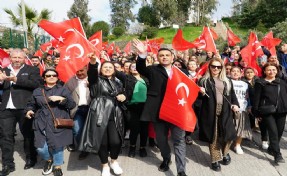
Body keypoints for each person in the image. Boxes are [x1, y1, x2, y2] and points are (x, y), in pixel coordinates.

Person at [133, 39, 187, 176]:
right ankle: (166, 158)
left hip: (176, 112)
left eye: (167, 55)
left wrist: (200, 90)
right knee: (162, 140)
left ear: (172, 57)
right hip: (158, 112)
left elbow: (188, 89)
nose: (164, 57)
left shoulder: (181, 73)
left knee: (179, 140)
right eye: (161, 55)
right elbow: (140, 68)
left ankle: (181, 170)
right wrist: (142, 54)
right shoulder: (152, 70)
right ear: (158, 57)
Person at [79, 55, 125, 176]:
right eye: (105, 67)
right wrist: (93, 62)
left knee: (116, 141)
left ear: (114, 70)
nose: (108, 69)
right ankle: (104, 165)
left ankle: (114, 161)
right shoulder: (96, 79)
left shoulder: (118, 82)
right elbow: (92, 72)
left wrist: (123, 96)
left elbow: (123, 93)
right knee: (102, 142)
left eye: (110, 67)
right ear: (101, 69)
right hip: (99, 112)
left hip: (115, 112)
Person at [25, 69, 75, 176]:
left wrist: (62, 99)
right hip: (41, 121)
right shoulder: (37, 91)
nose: (51, 77)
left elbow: (72, 104)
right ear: (44, 78)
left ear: (57, 77)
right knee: (40, 148)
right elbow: (31, 104)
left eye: (54, 75)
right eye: (48, 75)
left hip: (58, 121)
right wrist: (29, 110)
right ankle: (48, 160)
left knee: (58, 145)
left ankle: (57, 165)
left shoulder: (63, 90)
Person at [0, 48, 42, 175]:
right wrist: (1, 80)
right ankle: (8, 164)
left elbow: (36, 84)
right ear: (10, 58)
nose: (17, 60)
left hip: (25, 108)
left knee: (28, 135)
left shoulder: (32, 70)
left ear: (24, 58)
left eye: (19, 57)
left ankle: (31, 158)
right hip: (6, 108)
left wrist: (15, 79)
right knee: (5, 137)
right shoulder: (3, 70)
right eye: (14, 57)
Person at [197, 58, 239, 171]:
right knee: (213, 137)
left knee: (228, 135)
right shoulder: (203, 81)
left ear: (222, 68)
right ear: (209, 67)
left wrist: (235, 104)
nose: (216, 69)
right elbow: (197, 100)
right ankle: (215, 160)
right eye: (213, 66)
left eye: (218, 67)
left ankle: (225, 153)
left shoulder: (227, 80)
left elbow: (232, 95)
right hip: (210, 112)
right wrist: (200, 93)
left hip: (225, 111)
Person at [252, 62, 287, 164]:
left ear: (277, 71)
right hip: (267, 111)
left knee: (279, 132)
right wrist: (256, 113)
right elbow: (256, 99)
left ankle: (272, 148)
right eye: (269, 70)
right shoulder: (260, 83)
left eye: (274, 69)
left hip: (282, 110)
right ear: (264, 71)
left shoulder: (282, 82)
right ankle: (277, 154)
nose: (271, 71)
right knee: (273, 132)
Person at [116, 62, 149, 158]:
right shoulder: (127, 78)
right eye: (132, 67)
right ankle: (132, 147)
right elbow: (116, 72)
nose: (135, 68)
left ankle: (142, 147)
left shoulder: (146, 79)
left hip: (145, 107)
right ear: (129, 70)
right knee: (134, 129)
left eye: (137, 66)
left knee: (144, 129)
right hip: (132, 107)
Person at [64, 66, 90, 159]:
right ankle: (83, 149)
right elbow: (65, 95)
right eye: (77, 71)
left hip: (91, 109)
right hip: (76, 110)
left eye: (81, 70)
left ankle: (94, 146)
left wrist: (91, 85)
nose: (79, 73)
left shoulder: (93, 79)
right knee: (77, 130)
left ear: (86, 69)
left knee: (92, 130)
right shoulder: (70, 81)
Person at [230, 66, 252, 154]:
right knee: (231, 127)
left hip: (242, 108)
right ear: (230, 72)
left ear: (240, 73)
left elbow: (248, 97)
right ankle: (227, 143)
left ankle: (237, 145)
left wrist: (249, 106)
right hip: (230, 109)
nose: (235, 73)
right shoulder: (227, 82)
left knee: (241, 127)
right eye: (233, 71)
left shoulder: (245, 84)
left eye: (237, 71)